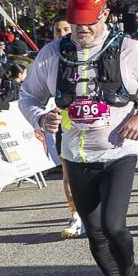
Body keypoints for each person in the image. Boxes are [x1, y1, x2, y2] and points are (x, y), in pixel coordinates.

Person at [20, 0, 138, 276]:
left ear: (105, 15)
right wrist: (41, 117)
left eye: (89, 22)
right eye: (76, 23)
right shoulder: (53, 53)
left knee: (114, 225)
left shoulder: (129, 50)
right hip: (76, 155)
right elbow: (27, 97)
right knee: (95, 232)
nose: (82, 29)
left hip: (118, 153)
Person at [47, 17, 85, 239]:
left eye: (65, 30)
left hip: (91, 124)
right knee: (68, 174)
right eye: (57, 30)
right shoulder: (49, 59)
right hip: (66, 124)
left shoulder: (86, 53)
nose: (62, 34)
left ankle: (92, 213)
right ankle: (76, 215)